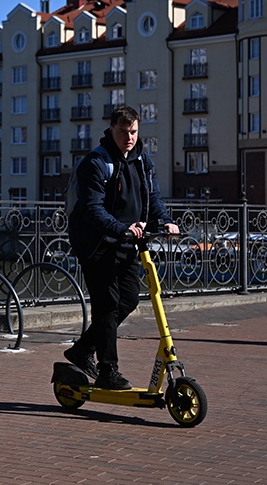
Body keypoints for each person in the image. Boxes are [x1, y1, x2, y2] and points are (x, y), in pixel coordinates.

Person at [65, 105, 179, 390]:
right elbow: (92, 209)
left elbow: (152, 197)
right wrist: (121, 228)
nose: (129, 137)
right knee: (106, 306)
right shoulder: (96, 162)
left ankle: (81, 350)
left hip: (128, 243)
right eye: (122, 132)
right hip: (97, 245)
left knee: (127, 301)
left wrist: (164, 221)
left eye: (133, 132)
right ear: (111, 129)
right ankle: (108, 371)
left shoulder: (142, 160)